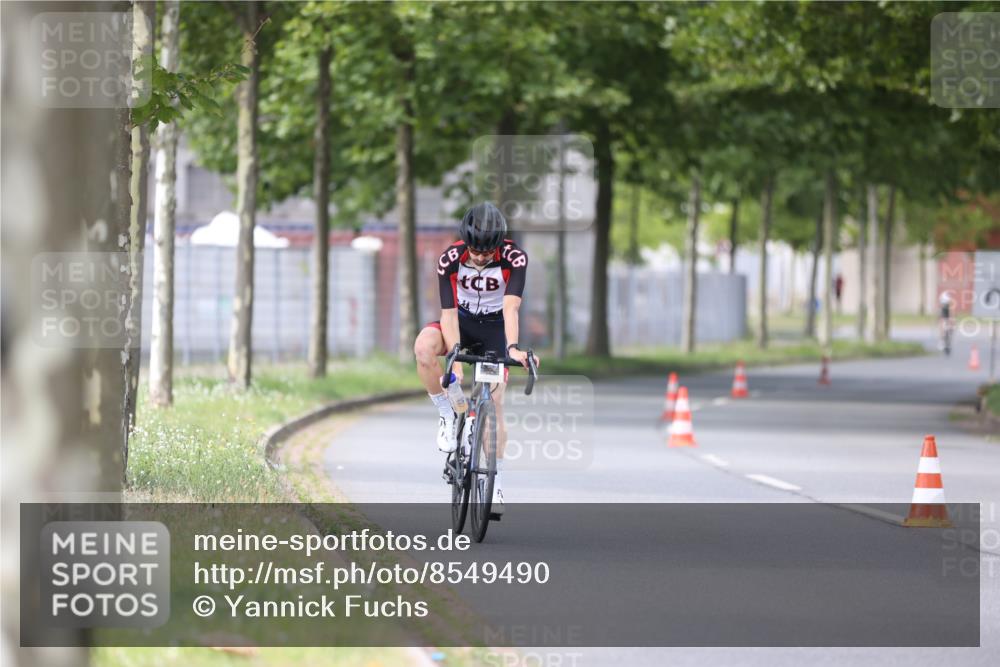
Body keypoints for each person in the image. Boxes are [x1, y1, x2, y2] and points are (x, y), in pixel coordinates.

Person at [412, 202, 538, 514]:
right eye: (475, 251)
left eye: (487, 252)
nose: (480, 257)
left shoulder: (515, 258)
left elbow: (510, 308)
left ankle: (495, 484)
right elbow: (448, 313)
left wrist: (512, 349)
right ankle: (446, 411)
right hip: (461, 322)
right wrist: (454, 357)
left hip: (496, 328)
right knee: (424, 348)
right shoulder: (450, 259)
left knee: (494, 404)